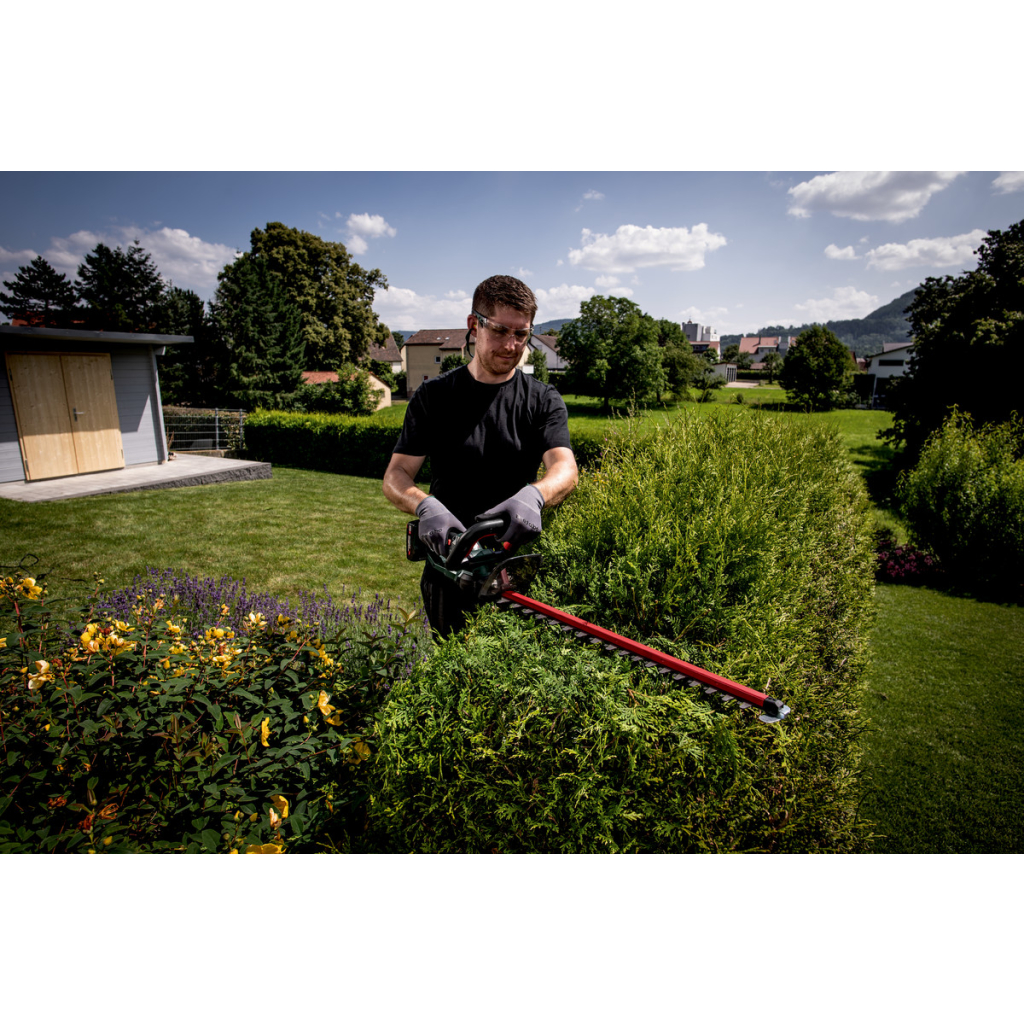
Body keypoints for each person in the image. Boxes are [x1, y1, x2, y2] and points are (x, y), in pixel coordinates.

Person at [383, 275, 578, 637]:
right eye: (500, 331)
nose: (511, 345)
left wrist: (535, 496)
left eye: (521, 334)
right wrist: (424, 506)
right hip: (448, 572)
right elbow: (396, 475)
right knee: (452, 663)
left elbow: (565, 468)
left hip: (515, 574)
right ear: (474, 325)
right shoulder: (433, 397)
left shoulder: (542, 400)